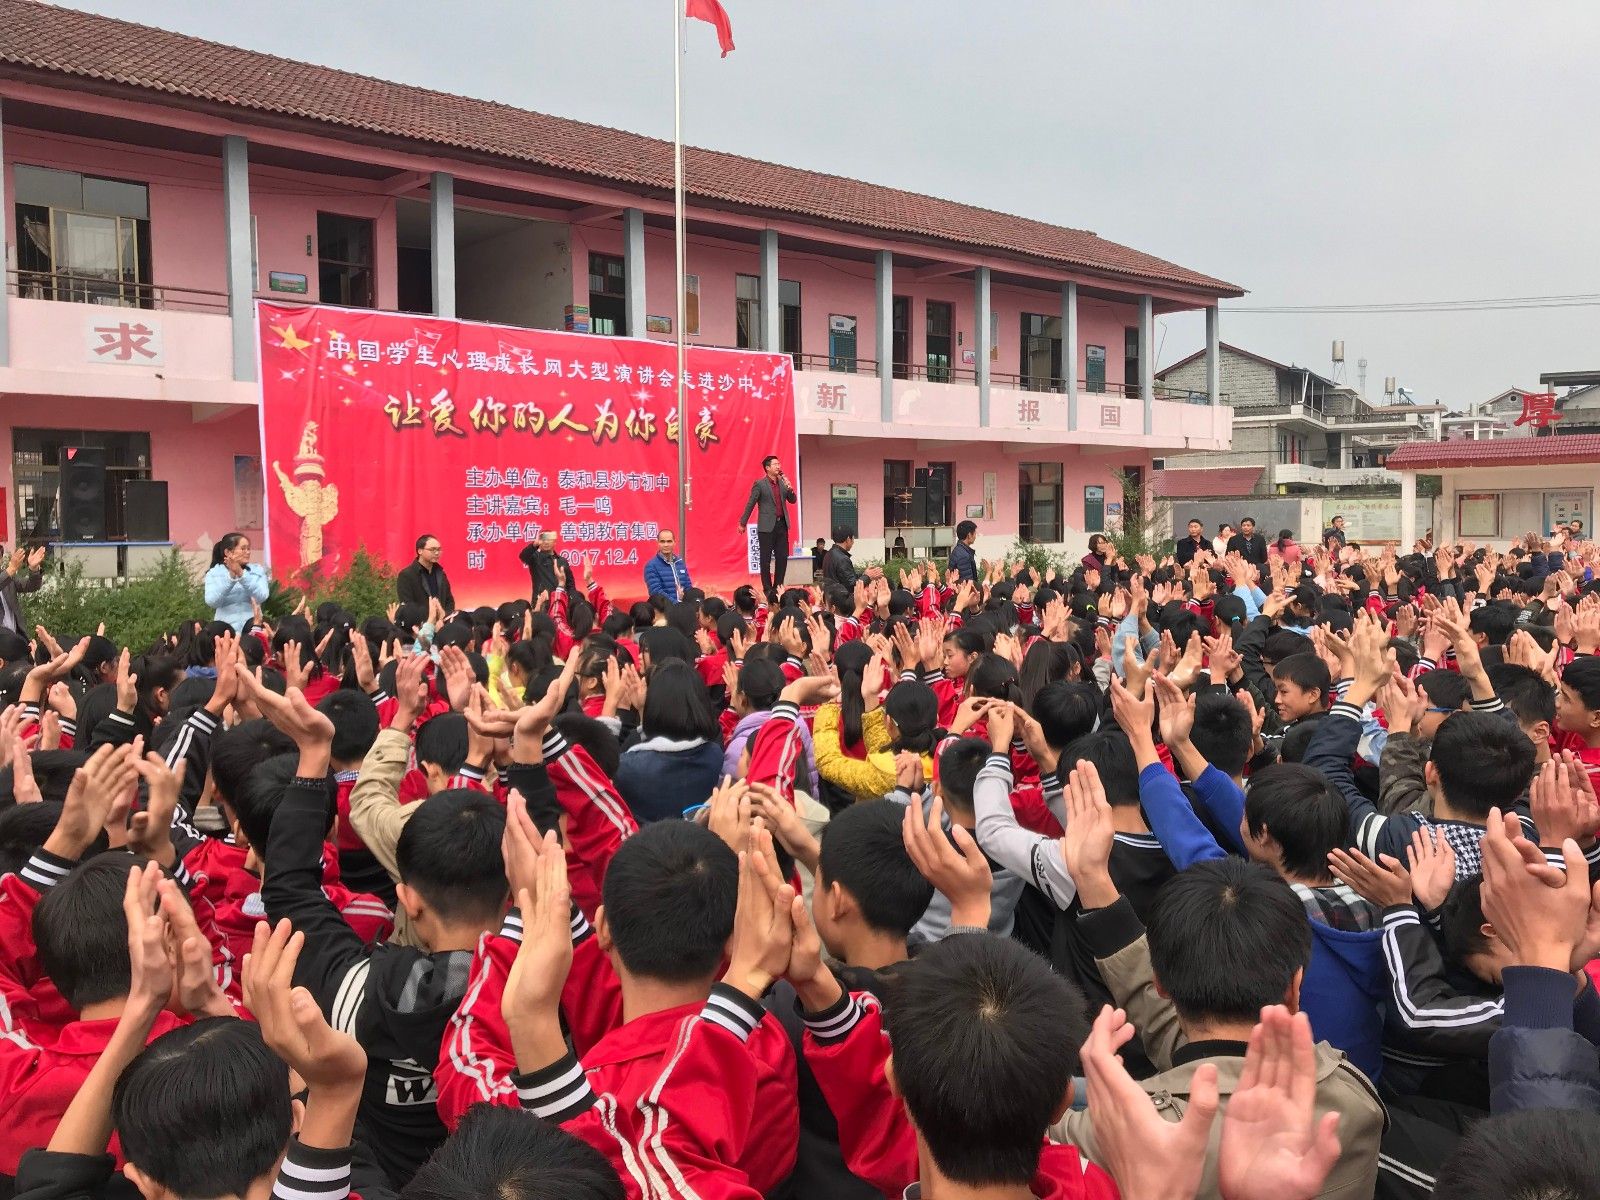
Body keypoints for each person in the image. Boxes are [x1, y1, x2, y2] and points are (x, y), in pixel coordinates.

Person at [738, 454, 797, 600]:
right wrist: (742, 522)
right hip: (766, 527)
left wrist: (790, 488)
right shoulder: (760, 484)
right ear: (767, 468)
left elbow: (793, 500)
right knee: (765, 559)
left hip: (782, 524)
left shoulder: (783, 483)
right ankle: (767, 589)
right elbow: (751, 503)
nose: (778, 466)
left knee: (782, 557)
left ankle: (778, 587)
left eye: (779, 464)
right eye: (775, 464)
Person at [202, 532, 270, 633]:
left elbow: (262, 596)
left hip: (251, 628)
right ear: (228, 552)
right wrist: (231, 578)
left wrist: (241, 575)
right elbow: (212, 601)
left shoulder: (257, 570)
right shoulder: (214, 573)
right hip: (224, 631)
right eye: (243, 549)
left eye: (248, 548)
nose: (247, 552)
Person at [396, 533, 455, 612]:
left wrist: (444, 618)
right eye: (432, 550)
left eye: (439, 549)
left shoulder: (441, 573)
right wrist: (429, 621)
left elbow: (449, 601)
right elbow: (408, 605)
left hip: (443, 621)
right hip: (420, 622)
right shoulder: (407, 575)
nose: (437, 553)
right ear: (420, 551)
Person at [0, 543, 46, 636]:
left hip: (16, 638)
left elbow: (32, 585)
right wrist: (11, 569)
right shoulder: (7, 575)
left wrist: (34, 569)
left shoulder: (8, 577)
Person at [518, 530, 572, 601]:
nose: (546, 542)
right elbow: (523, 556)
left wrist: (571, 601)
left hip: (559, 601)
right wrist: (534, 544)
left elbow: (570, 584)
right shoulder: (535, 558)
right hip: (540, 603)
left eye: (549, 539)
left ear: (555, 542)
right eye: (543, 539)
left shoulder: (562, 561)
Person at [824, 527, 880, 594]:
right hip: (840, 599)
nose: (853, 542)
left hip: (831, 596)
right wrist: (868, 577)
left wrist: (864, 574)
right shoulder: (843, 558)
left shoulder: (829, 553)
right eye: (853, 539)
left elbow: (847, 578)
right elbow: (851, 586)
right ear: (848, 539)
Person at [643, 529, 693, 601]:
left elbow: (688, 587)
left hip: (683, 609)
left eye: (669, 541)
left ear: (674, 543)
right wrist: (677, 605)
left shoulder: (680, 563)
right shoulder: (651, 566)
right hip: (664, 610)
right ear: (658, 543)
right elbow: (656, 593)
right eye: (662, 541)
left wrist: (686, 604)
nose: (666, 545)